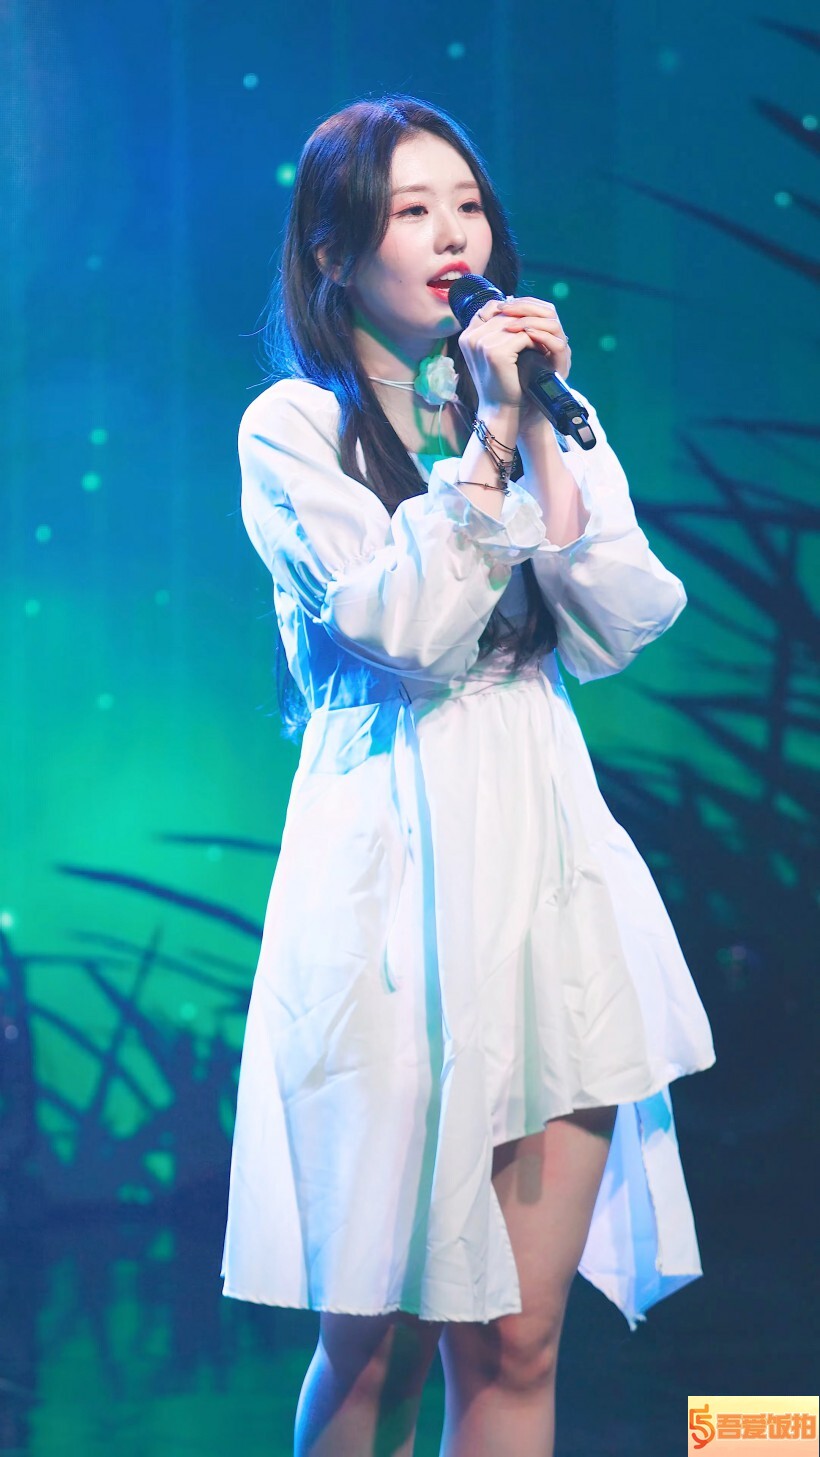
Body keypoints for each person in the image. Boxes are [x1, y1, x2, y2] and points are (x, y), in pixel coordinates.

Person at [220, 94, 716, 1457]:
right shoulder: (294, 428)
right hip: (389, 877)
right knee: (374, 1336)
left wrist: (537, 424)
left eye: (469, 205)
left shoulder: (536, 406)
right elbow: (406, 631)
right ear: (334, 251)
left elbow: (618, 619)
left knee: (519, 1337)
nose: (454, 235)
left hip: (546, 869)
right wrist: (488, 443)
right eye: (410, 210)